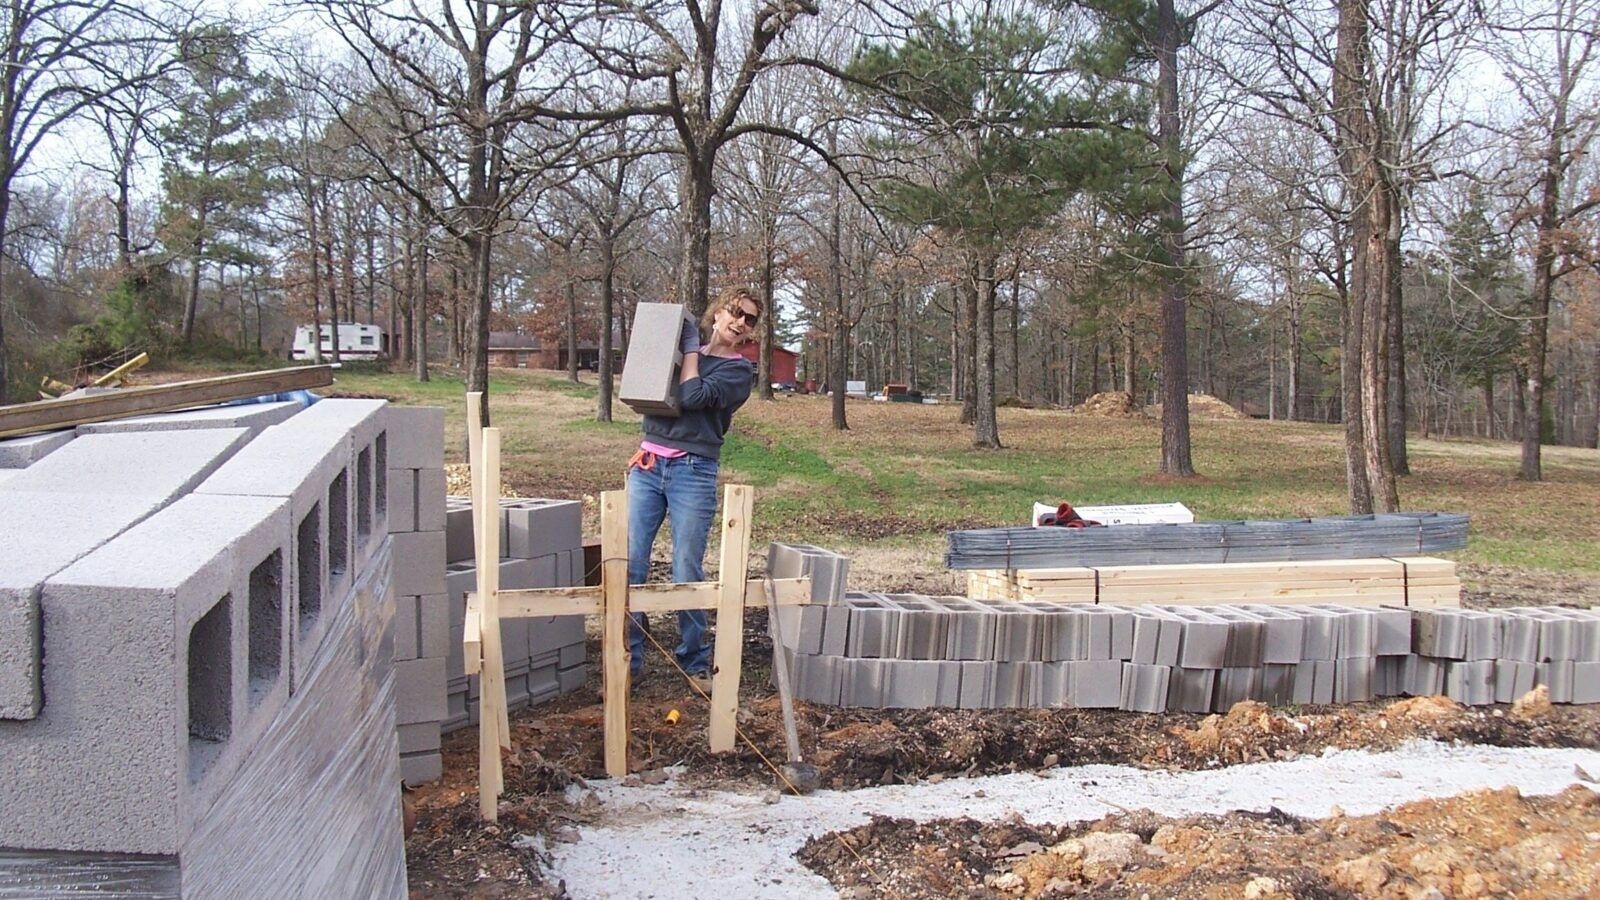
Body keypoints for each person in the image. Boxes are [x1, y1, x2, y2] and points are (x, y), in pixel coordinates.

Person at [625, 287, 762, 691]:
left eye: (750, 319)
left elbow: (692, 394)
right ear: (717, 313)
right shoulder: (681, 352)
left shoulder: (739, 372)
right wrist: (686, 349)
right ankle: (630, 658)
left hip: (693, 471)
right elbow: (645, 389)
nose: (740, 322)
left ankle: (694, 659)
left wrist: (689, 352)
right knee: (631, 564)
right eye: (736, 312)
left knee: (687, 566)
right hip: (648, 466)